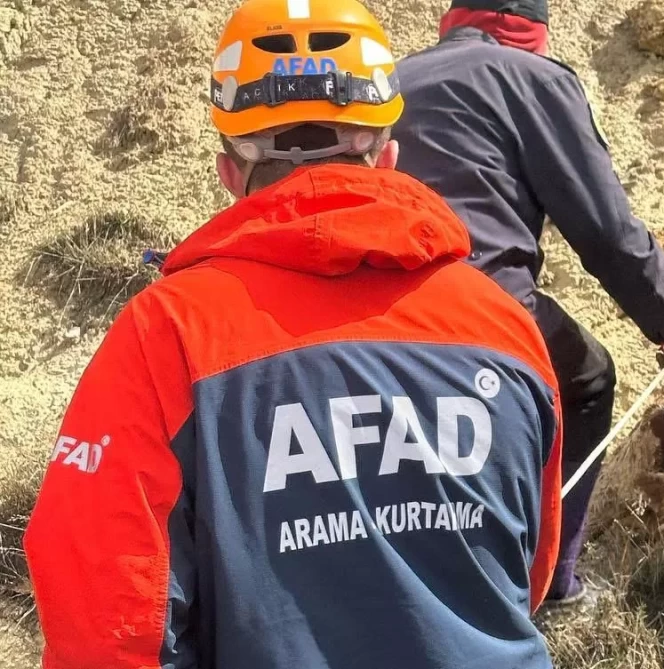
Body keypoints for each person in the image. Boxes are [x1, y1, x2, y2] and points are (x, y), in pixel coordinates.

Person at [23, 1, 564, 666]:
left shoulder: (167, 333)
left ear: (229, 171)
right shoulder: (506, 327)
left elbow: (104, 620)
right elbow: (528, 572)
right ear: (389, 155)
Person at [392, 0, 664, 609]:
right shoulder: (535, 79)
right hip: (477, 299)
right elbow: (606, 231)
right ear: (534, 31)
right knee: (587, 379)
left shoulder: (393, 79)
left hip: (368, 302)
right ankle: (552, 582)